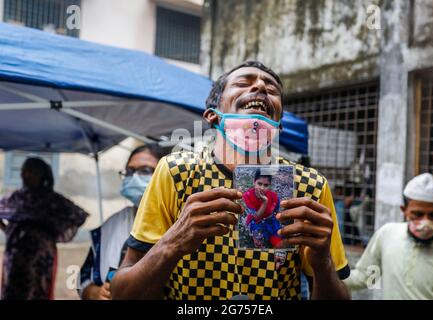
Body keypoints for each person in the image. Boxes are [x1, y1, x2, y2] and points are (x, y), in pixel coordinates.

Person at [111, 61, 351, 300]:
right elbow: (122, 295)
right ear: (212, 116)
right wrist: (172, 243)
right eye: (243, 83)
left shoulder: (309, 186)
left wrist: (323, 263)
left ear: (279, 124)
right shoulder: (176, 172)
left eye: (272, 88)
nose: (259, 86)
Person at [78, 144, 167, 300]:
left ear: (166, 175)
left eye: (145, 171)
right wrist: (94, 293)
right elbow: (82, 280)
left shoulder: (181, 225)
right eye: (130, 171)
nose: (134, 178)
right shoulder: (108, 228)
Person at [343, 173, 433, 300]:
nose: (425, 222)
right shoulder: (387, 235)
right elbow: (366, 278)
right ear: (404, 210)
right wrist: (324, 273)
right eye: (418, 214)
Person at [0, 157, 88, 299]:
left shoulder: (51, 199)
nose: (24, 175)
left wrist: (54, 233)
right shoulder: (16, 197)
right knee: (13, 291)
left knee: (37, 291)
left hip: (40, 258)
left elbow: (78, 216)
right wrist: (8, 230)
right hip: (15, 256)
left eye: (29, 171)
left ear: (40, 174)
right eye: (23, 171)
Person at [243, 169, 283, 248]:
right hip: (255, 222)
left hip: (270, 220)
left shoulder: (274, 197)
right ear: (254, 182)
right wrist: (265, 202)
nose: (262, 188)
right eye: (259, 184)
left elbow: (276, 213)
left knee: (279, 243)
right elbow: (255, 217)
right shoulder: (247, 195)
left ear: (269, 185)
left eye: (266, 185)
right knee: (259, 244)